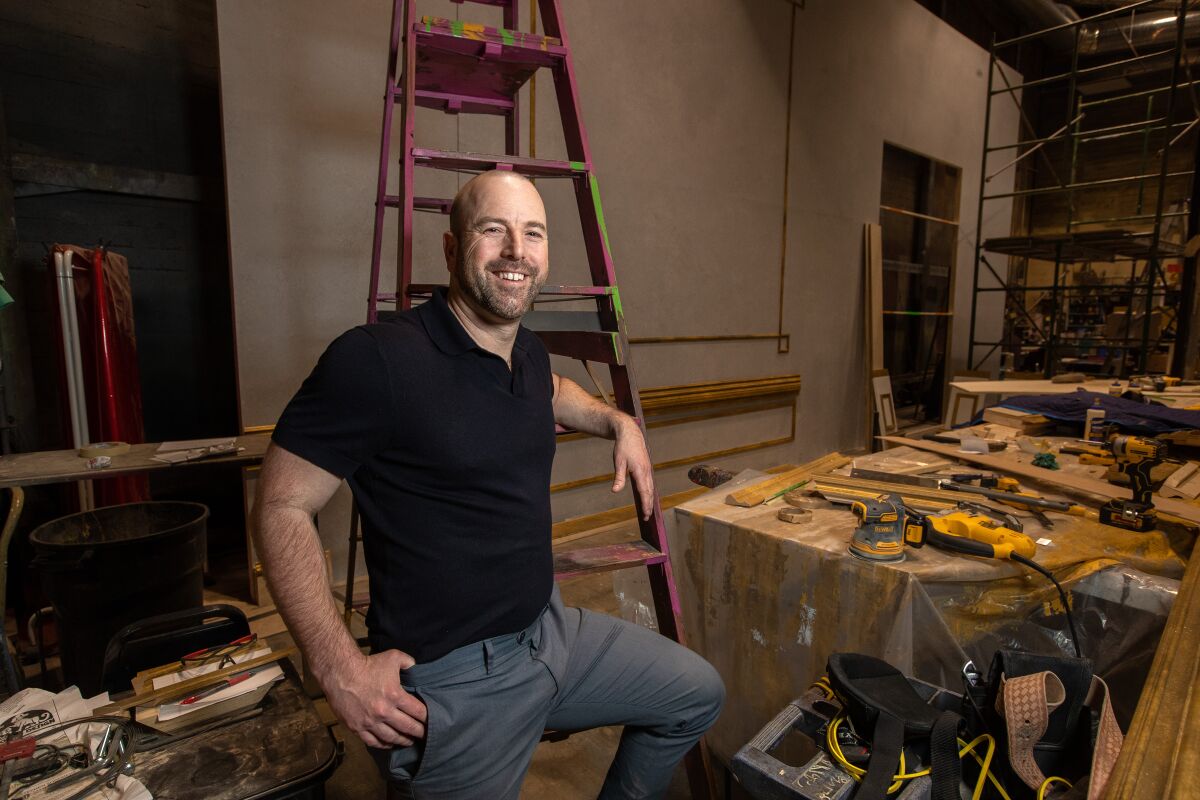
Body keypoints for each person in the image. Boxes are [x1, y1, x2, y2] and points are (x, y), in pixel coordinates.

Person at [253, 170, 724, 799]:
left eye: (533, 233)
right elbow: (282, 504)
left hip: (550, 633)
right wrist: (336, 668)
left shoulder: (526, 352)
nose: (516, 252)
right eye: (493, 230)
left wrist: (617, 421)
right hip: (456, 680)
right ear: (451, 249)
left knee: (695, 695)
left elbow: (553, 393)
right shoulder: (379, 360)